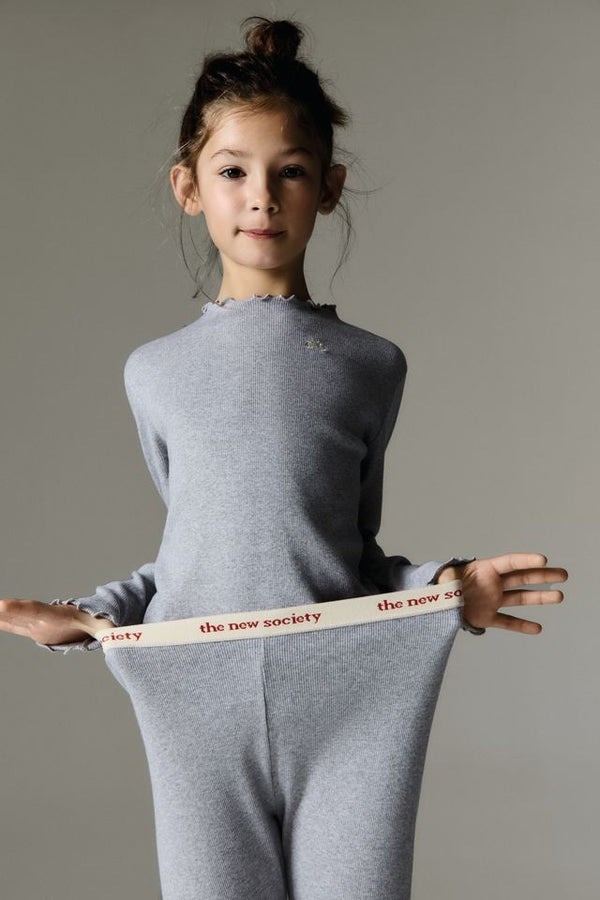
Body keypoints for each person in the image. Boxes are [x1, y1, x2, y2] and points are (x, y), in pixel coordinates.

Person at [0, 16, 568, 900]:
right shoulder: (153, 372)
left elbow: (346, 553)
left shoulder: (373, 365)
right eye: (233, 172)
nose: (261, 198)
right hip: (197, 704)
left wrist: (447, 587)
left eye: (290, 172)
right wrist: (88, 616)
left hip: (354, 698)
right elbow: (195, 549)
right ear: (189, 186)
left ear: (329, 186)